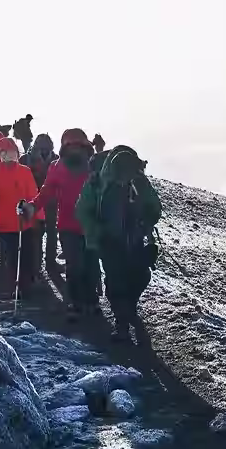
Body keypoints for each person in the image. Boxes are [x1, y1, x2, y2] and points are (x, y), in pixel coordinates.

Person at [77, 145, 161, 338]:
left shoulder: (138, 180)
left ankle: (129, 309)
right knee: (115, 282)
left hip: (134, 240)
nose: (125, 181)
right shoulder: (98, 181)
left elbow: (155, 206)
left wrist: (147, 220)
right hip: (109, 242)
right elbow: (83, 210)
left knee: (140, 277)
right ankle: (122, 323)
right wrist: (96, 234)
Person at [33, 129, 97, 313]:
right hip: (68, 226)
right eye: (71, 146)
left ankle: (91, 300)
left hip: (91, 227)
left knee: (91, 265)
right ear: (65, 148)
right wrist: (32, 207)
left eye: (79, 146)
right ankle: (75, 302)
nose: (75, 150)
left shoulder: (94, 167)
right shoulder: (56, 167)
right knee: (74, 265)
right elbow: (46, 192)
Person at [0, 138, 42, 291]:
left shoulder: (22, 171)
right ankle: (16, 286)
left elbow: (33, 197)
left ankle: (20, 285)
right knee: (15, 257)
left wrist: (38, 218)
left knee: (19, 257)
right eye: (6, 154)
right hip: (12, 225)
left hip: (19, 224)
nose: (9, 157)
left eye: (11, 153)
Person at [22, 134, 59, 269]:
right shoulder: (26, 159)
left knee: (49, 232)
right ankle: (37, 264)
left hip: (50, 201)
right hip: (34, 201)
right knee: (37, 232)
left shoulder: (55, 159)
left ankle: (47, 263)